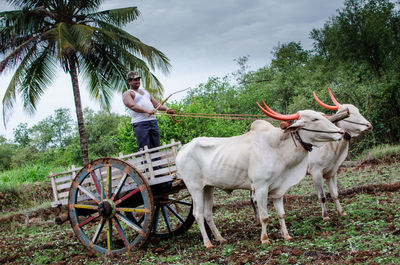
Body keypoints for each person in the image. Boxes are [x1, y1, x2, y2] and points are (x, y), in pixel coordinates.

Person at [122, 71, 174, 151]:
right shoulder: (128, 94)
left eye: (138, 79)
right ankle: (147, 162)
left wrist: (166, 109)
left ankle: (158, 162)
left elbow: (156, 105)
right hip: (140, 123)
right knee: (144, 147)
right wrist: (147, 111)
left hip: (152, 121)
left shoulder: (146, 92)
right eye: (135, 80)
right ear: (129, 82)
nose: (138, 81)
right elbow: (133, 106)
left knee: (156, 146)